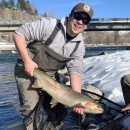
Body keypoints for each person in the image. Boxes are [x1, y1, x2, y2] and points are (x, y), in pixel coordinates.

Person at [13, 2, 94, 130]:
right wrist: (27, 60)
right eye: (78, 17)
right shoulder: (49, 25)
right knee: (31, 112)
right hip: (27, 71)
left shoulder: (79, 46)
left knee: (60, 113)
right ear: (70, 15)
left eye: (85, 20)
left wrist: (77, 97)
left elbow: (75, 71)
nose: (80, 22)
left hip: (50, 78)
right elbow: (19, 34)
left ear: (87, 25)